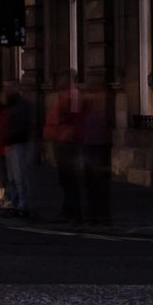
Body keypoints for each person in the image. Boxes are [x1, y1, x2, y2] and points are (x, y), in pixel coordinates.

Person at [47, 81, 84, 222]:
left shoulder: (70, 100)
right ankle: (68, 210)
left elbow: (69, 120)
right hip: (62, 141)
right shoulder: (65, 100)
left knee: (70, 181)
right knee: (65, 181)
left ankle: (74, 212)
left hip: (68, 143)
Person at [0, 87, 35, 217]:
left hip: (18, 143)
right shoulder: (10, 106)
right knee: (12, 177)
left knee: (20, 176)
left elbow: (24, 126)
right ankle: (15, 202)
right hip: (10, 143)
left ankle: (23, 205)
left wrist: (10, 135)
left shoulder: (21, 106)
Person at [81, 82, 115, 225]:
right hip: (93, 146)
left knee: (97, 183)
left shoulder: (101, 108)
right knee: (93, 183)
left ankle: (99, 215)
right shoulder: (91, 109)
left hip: (98, 147)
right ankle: (96, 214)